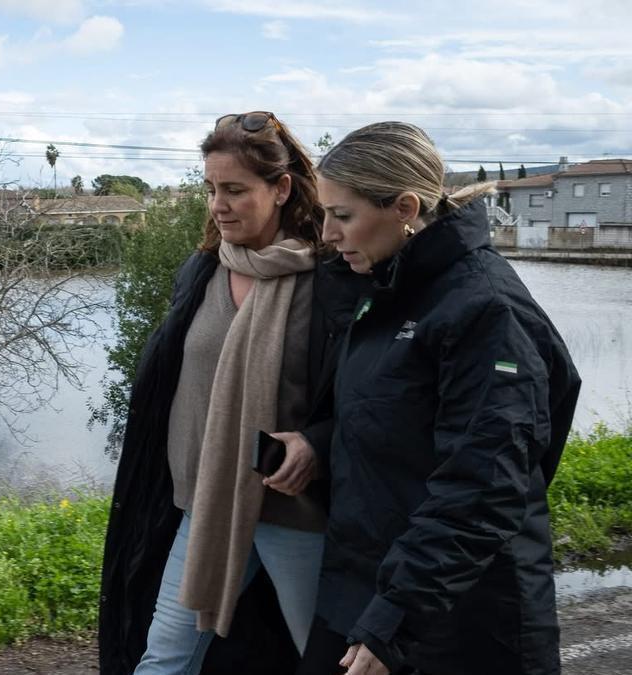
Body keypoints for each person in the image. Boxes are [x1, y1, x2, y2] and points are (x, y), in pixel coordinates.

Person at [299, 121, 582, 675]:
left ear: (405, 207)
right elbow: (396, 416)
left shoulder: (486, 311)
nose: (327, 234)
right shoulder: (386, 291)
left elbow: (486, 483)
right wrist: (316, 441)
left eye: (343, 215)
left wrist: (397, 618)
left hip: (460, 614)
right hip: (370, 587)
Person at [99, 112, 364, 675]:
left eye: (235, 190)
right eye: (211, 189)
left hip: (296, 513)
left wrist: (317, 443)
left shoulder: (333, 280)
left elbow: (366, 397)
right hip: (208, 504)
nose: (217, 204)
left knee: (329, 662)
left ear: (282, 188)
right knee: (164, 658)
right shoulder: (203, 271)